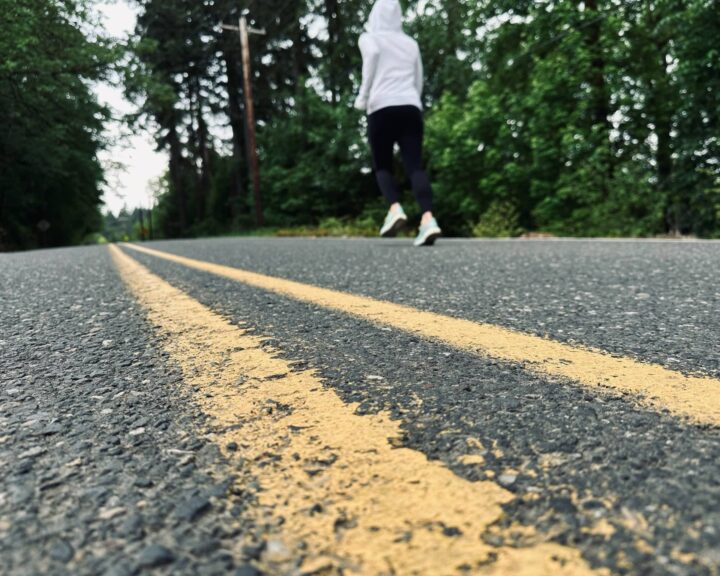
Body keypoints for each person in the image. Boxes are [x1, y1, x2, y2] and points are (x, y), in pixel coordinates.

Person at [354, 0, 442, 247]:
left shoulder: (369, 38)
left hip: (381, 106)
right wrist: (414, 100)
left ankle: (395, 208)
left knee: (382, 165)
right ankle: (428, 219)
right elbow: (419, 78)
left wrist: (363, 97)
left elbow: (370, 59)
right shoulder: (410, 44)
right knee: (415, 166)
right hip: (410, 106)